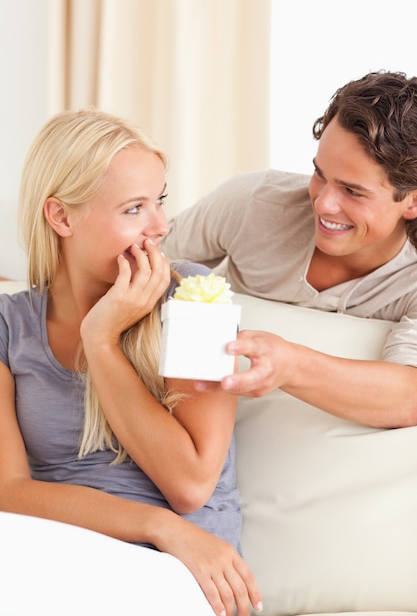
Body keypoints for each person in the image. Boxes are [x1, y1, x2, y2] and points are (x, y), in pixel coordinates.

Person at [0, 109, 262, 616]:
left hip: (180, 570)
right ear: (61, 217)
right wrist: (157, 524)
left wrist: (101, 341)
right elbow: (8, 493)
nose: (161, 227)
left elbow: (189, 486)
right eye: (135, 208)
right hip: (62, 553)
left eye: (159, 201)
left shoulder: (194, 299)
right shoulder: (11, 325)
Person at [162, 70, 417, 428]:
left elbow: (410, 398)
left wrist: (291, 365)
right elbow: (142, 263)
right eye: (319, 174)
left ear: (411, 201)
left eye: (353, 191)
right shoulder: (253, 203)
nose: (323, 203)